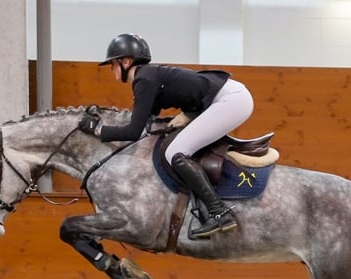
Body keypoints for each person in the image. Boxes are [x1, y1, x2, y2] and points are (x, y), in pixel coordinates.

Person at [80, 33, 254, 238]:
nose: (112, 71)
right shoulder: (149, 76)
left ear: (126, 62)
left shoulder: (143, 79)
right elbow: (145, 126)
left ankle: (219, 212)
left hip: (230, 101)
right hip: (229, 96)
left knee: (176, 152)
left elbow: (133, 132)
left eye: (113, 65)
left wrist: (98, 130)